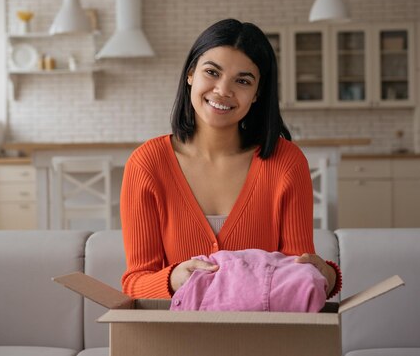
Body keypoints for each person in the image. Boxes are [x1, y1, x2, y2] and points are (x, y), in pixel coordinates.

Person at [120, 18, 341, 300]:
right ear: (190, 74)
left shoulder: (286, 162)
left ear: (257, 93)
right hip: (177, 338)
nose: (223, 90)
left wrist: (327, 275)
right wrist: (173, 278)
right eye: (212, 72)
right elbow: (135, 282)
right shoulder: (146, 164)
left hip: (261, 337)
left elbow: (296, 280)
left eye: (243, 80)